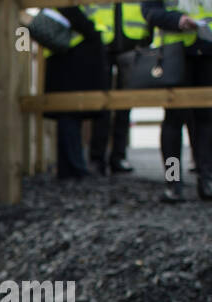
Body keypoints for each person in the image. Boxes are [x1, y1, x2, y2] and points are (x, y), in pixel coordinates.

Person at [142, 2, 212, 200]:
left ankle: (207, 179)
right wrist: (178, 20)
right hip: (174, 53)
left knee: (207, 119)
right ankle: (173, 182)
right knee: (174, 120)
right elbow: (149, 12)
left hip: (208, 51)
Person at [41, 6, 109, 179]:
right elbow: (71, 10)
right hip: (72, 55)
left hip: (69, 53)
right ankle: (74, 168)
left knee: (70, 114)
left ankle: (69, 169)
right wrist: (90, 30)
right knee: (70, 113)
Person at [90, 4, 151, 174]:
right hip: (101, 45)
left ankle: (118, 156)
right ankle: (97, 158)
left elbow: (149, 9)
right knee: (100, 104)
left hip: (131, 46)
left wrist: (145, 40)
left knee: (125, 105)